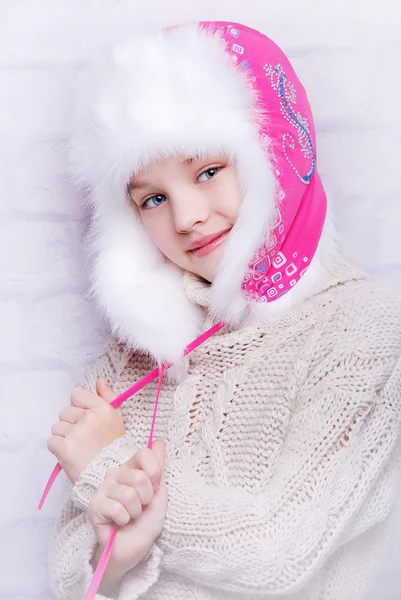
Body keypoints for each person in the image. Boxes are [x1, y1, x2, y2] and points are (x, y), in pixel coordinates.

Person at [47, 21, 401, 600]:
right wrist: (118, 561)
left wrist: (108, 467)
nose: (185, 217)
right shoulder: (132, 356)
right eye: (152, 199)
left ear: (272, 155)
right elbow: (69, 573)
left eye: (209, 171)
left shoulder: (363, 328)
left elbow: (279, 553)